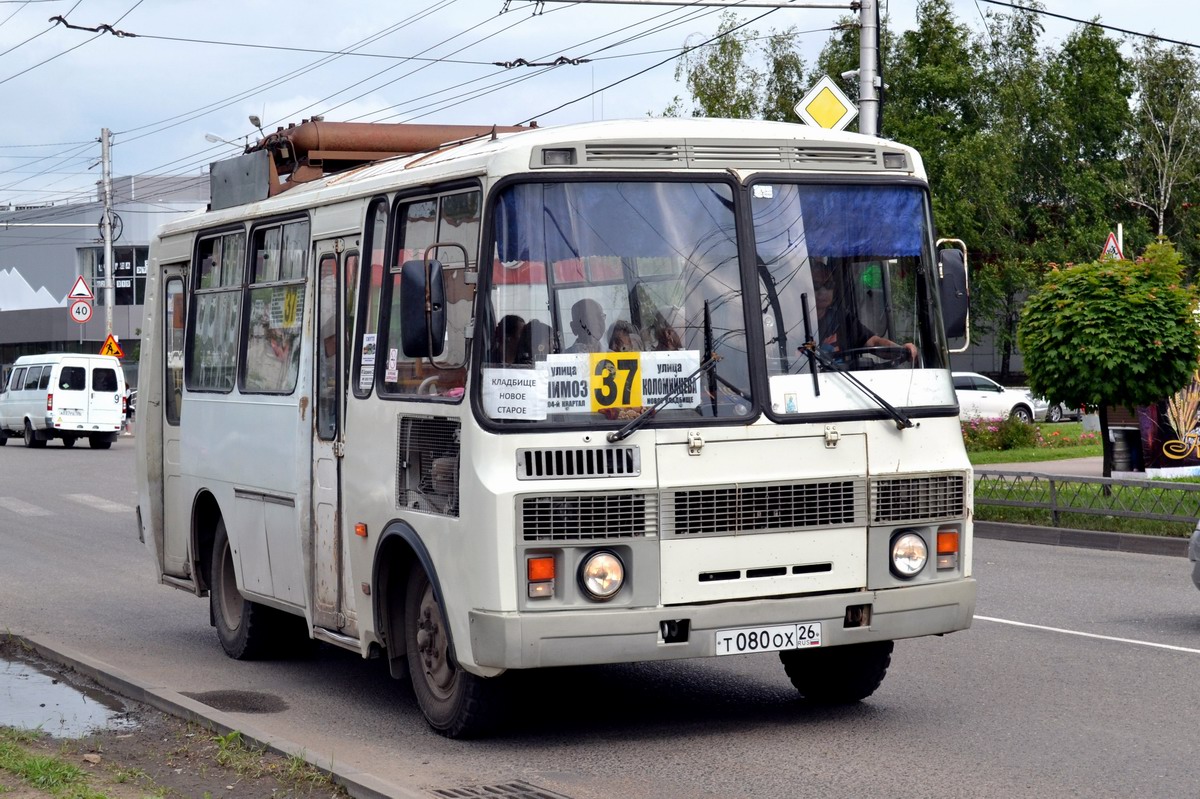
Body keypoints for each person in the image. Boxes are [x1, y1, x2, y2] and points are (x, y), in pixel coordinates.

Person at [811, 265, 917, 363]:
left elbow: (873, 342)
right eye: (817, 285)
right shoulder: (797, 323)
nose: (823, 291)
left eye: (829, 285)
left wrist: (899, 349)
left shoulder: (841, 318)